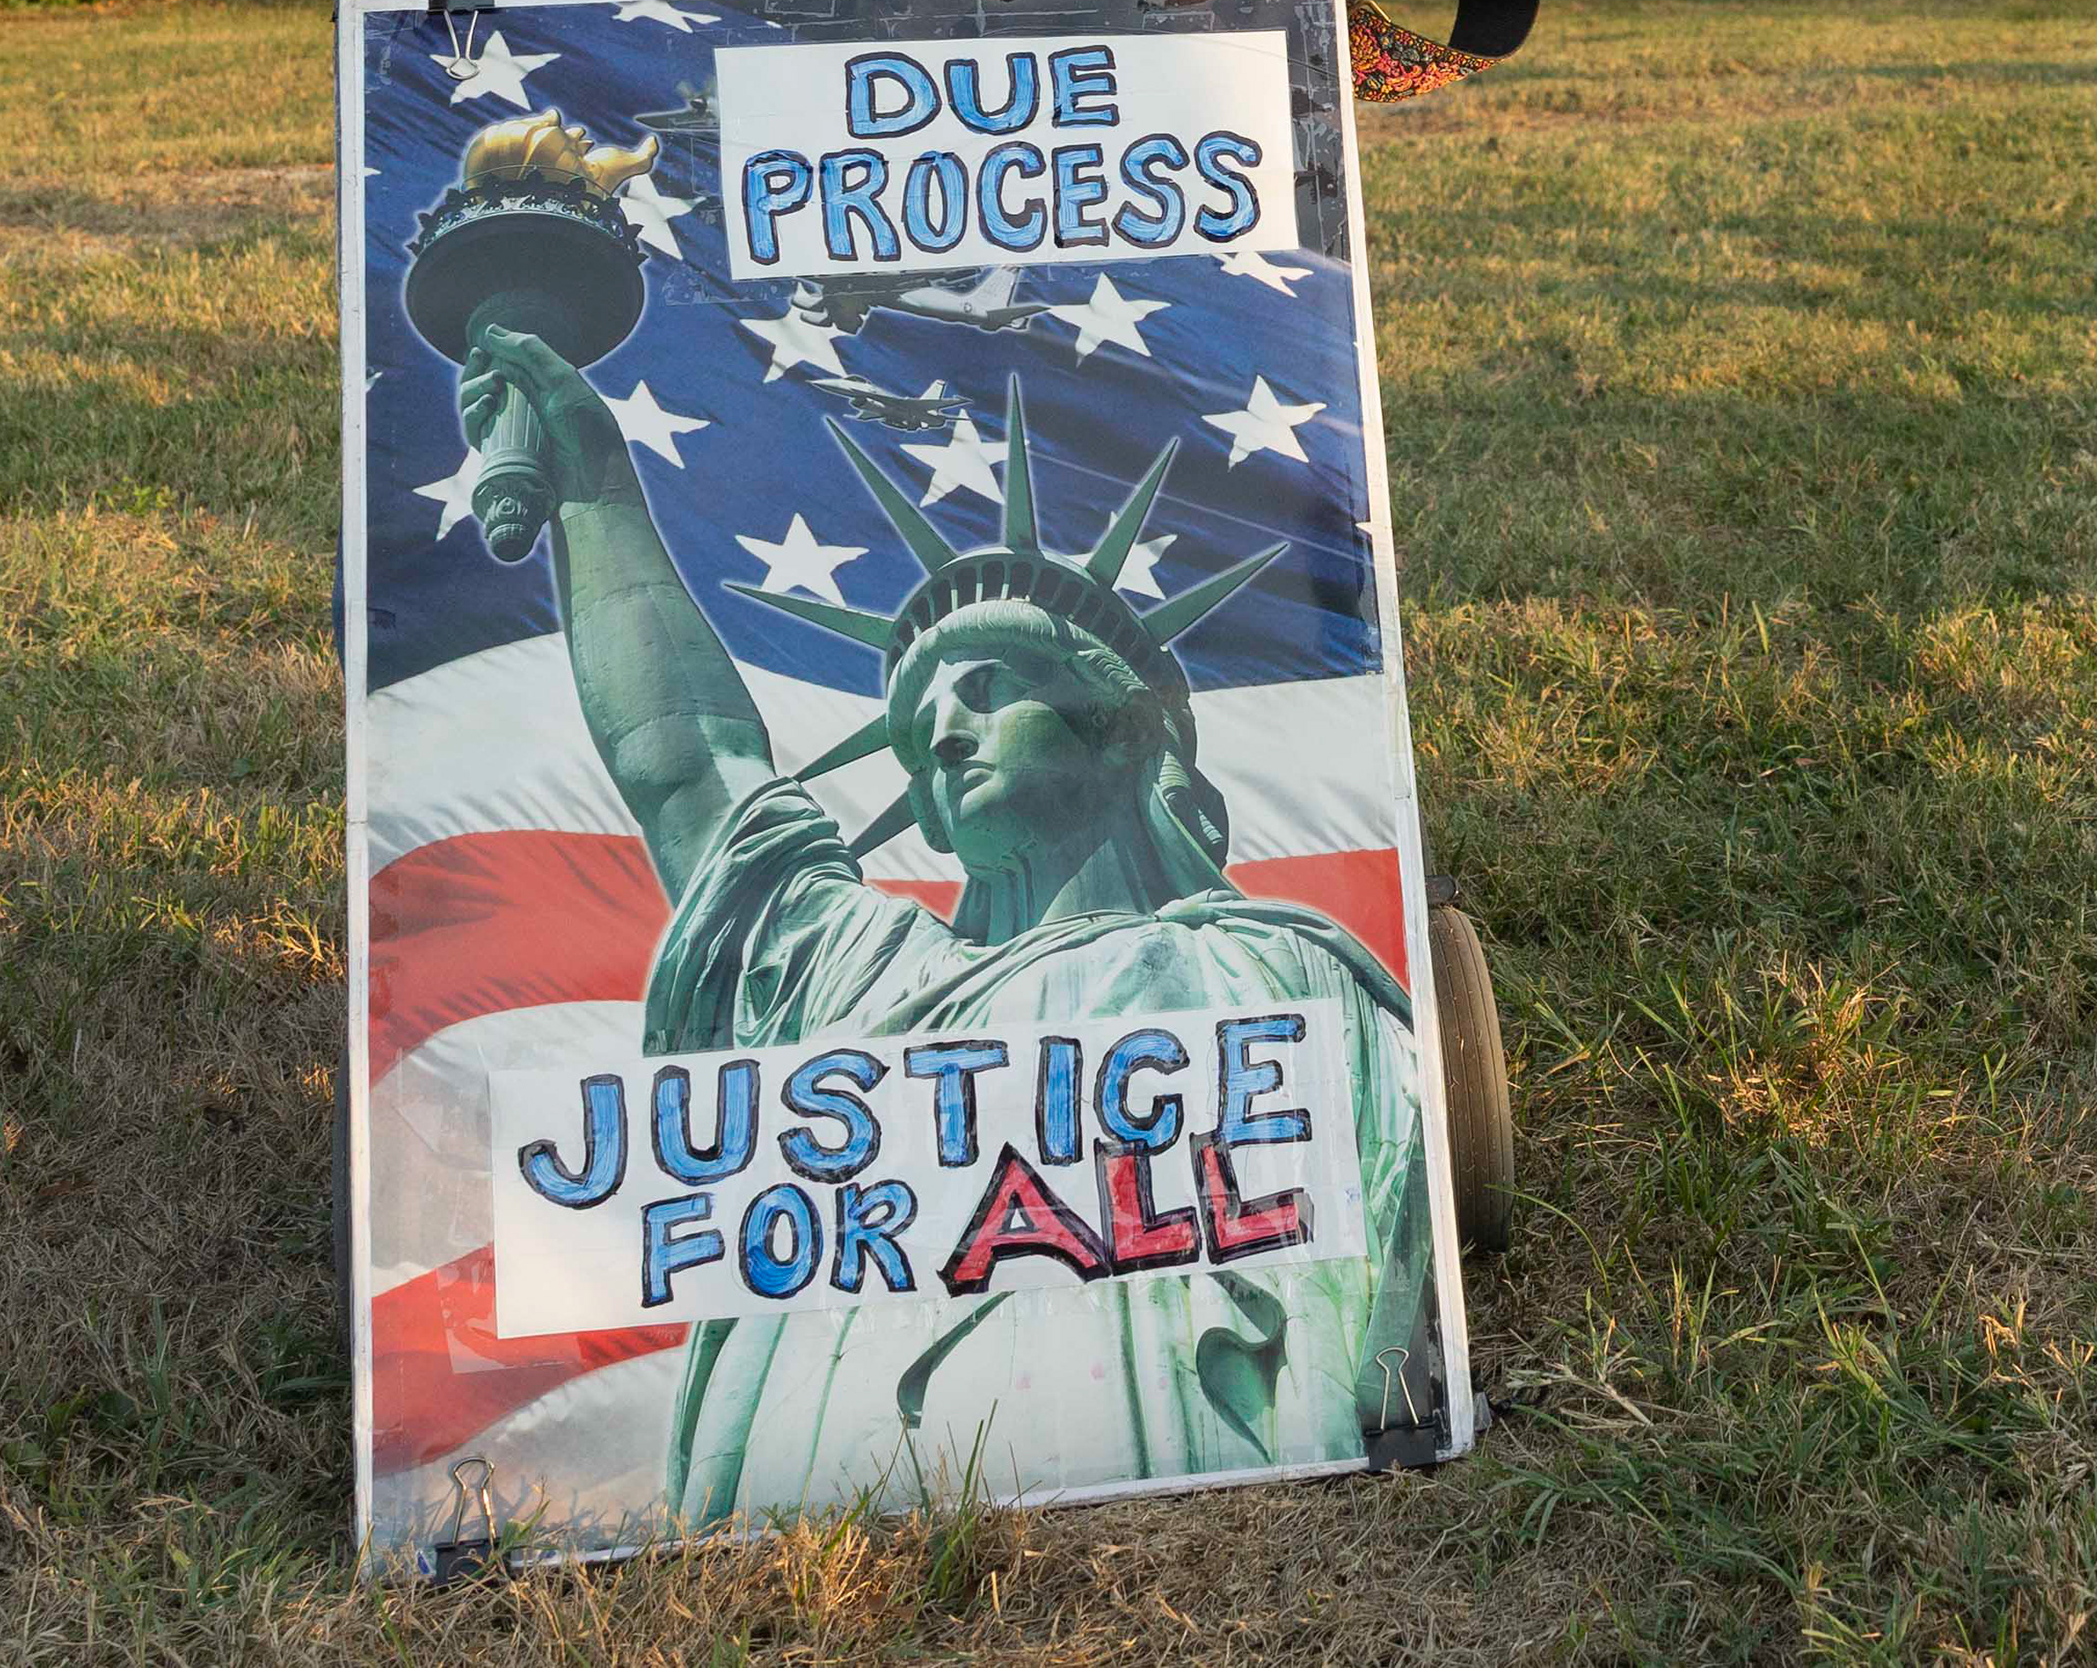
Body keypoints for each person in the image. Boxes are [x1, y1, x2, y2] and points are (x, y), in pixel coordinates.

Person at [459, 328, 1439, 1523]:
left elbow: (1395, 1271)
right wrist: (596, 491)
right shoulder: (862, 978)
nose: (945, 732)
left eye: (986, 687)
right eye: (925, 722)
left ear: (1120, 730)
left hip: (1177, 1495)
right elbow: (692, 768)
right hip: (840, 1534)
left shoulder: (1272, 966)